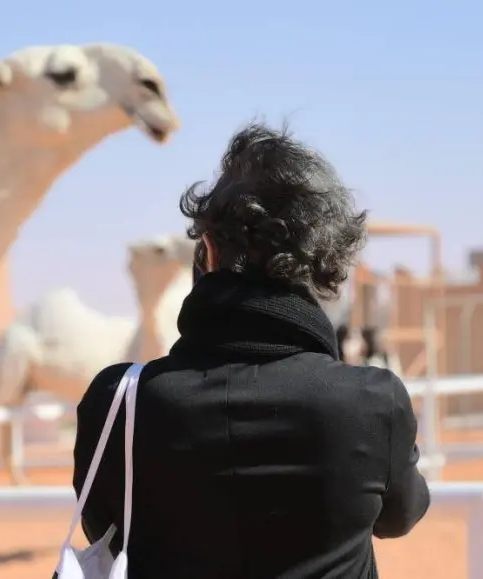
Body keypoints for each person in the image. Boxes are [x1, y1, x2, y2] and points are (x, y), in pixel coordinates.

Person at [72, 123, 430, 578]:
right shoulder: (372, 402)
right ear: (325, 269)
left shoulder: (117, 402)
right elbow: (401, 515)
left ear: (208, 250)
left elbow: (101, 525)